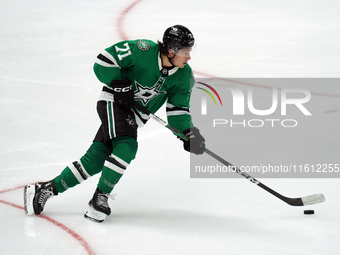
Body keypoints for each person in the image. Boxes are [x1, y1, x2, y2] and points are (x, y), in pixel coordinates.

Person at [24, 25, 205, 223]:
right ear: (171, 50)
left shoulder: (183, 76)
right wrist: (118, 83)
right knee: (127, 146)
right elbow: (104, 61)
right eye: (186, 52)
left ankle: (45, 189)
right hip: (113, 102)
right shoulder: (142, 50)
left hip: (133, 116)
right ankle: (99, 198)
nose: (189, 57)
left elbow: (177, 110)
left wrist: (188, 133)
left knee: (95, 160)